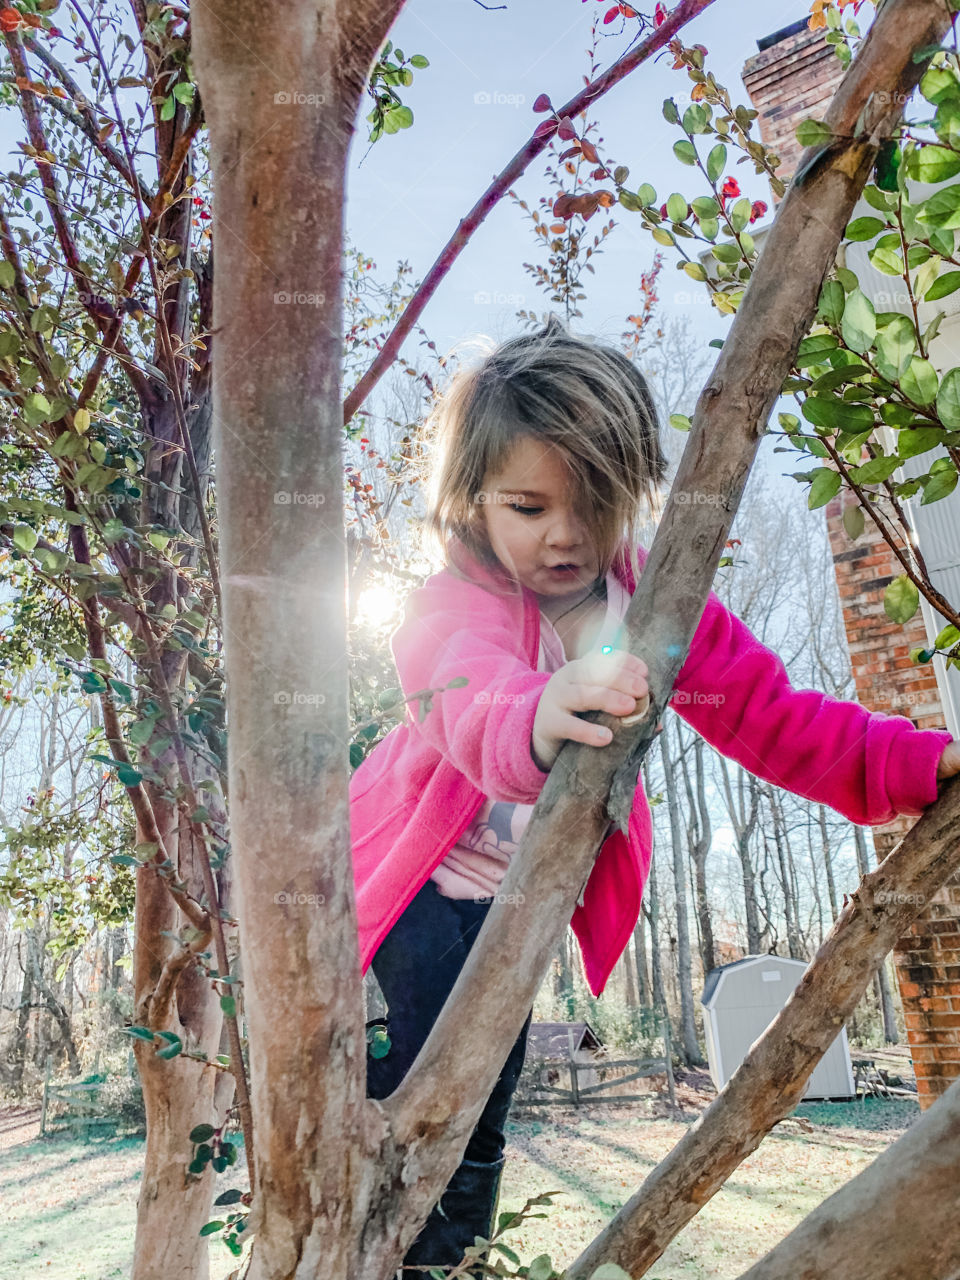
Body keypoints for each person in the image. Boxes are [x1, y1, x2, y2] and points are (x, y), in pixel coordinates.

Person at [353, 315, 960, 1276]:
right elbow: (460, 692)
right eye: (525, 506)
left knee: (477, 1132)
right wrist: (540, 712)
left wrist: (913, 766)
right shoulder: (455, 603)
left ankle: (448, 1266)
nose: (562, 535)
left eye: (591, 505)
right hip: (410, 905)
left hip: (514, 913)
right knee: (417, 1119)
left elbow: (774, 717)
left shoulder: (659, 606)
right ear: (473, 501)